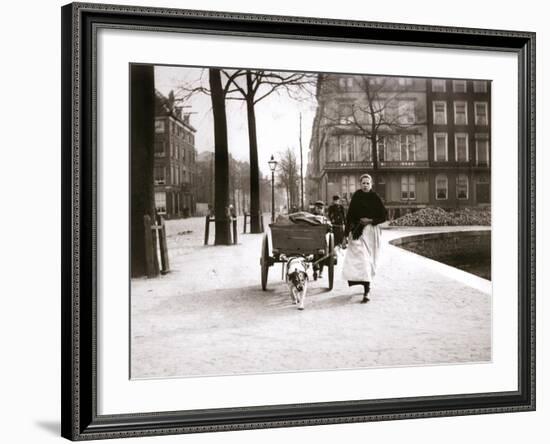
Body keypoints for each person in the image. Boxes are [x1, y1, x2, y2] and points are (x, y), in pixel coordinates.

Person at [342, 174, 387, 303]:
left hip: (371, 232)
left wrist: (370, 220)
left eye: (368, 183)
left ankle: (367, 288)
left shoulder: (375, 198)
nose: (365, 185)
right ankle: (366, 288)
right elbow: (349, 217)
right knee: (361, 259)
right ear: (360, 184)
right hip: (357, 231)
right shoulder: (356, 197)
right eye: (363, 183)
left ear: (371, 184)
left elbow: (384, 216)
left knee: (368, 260)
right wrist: (345, 235)